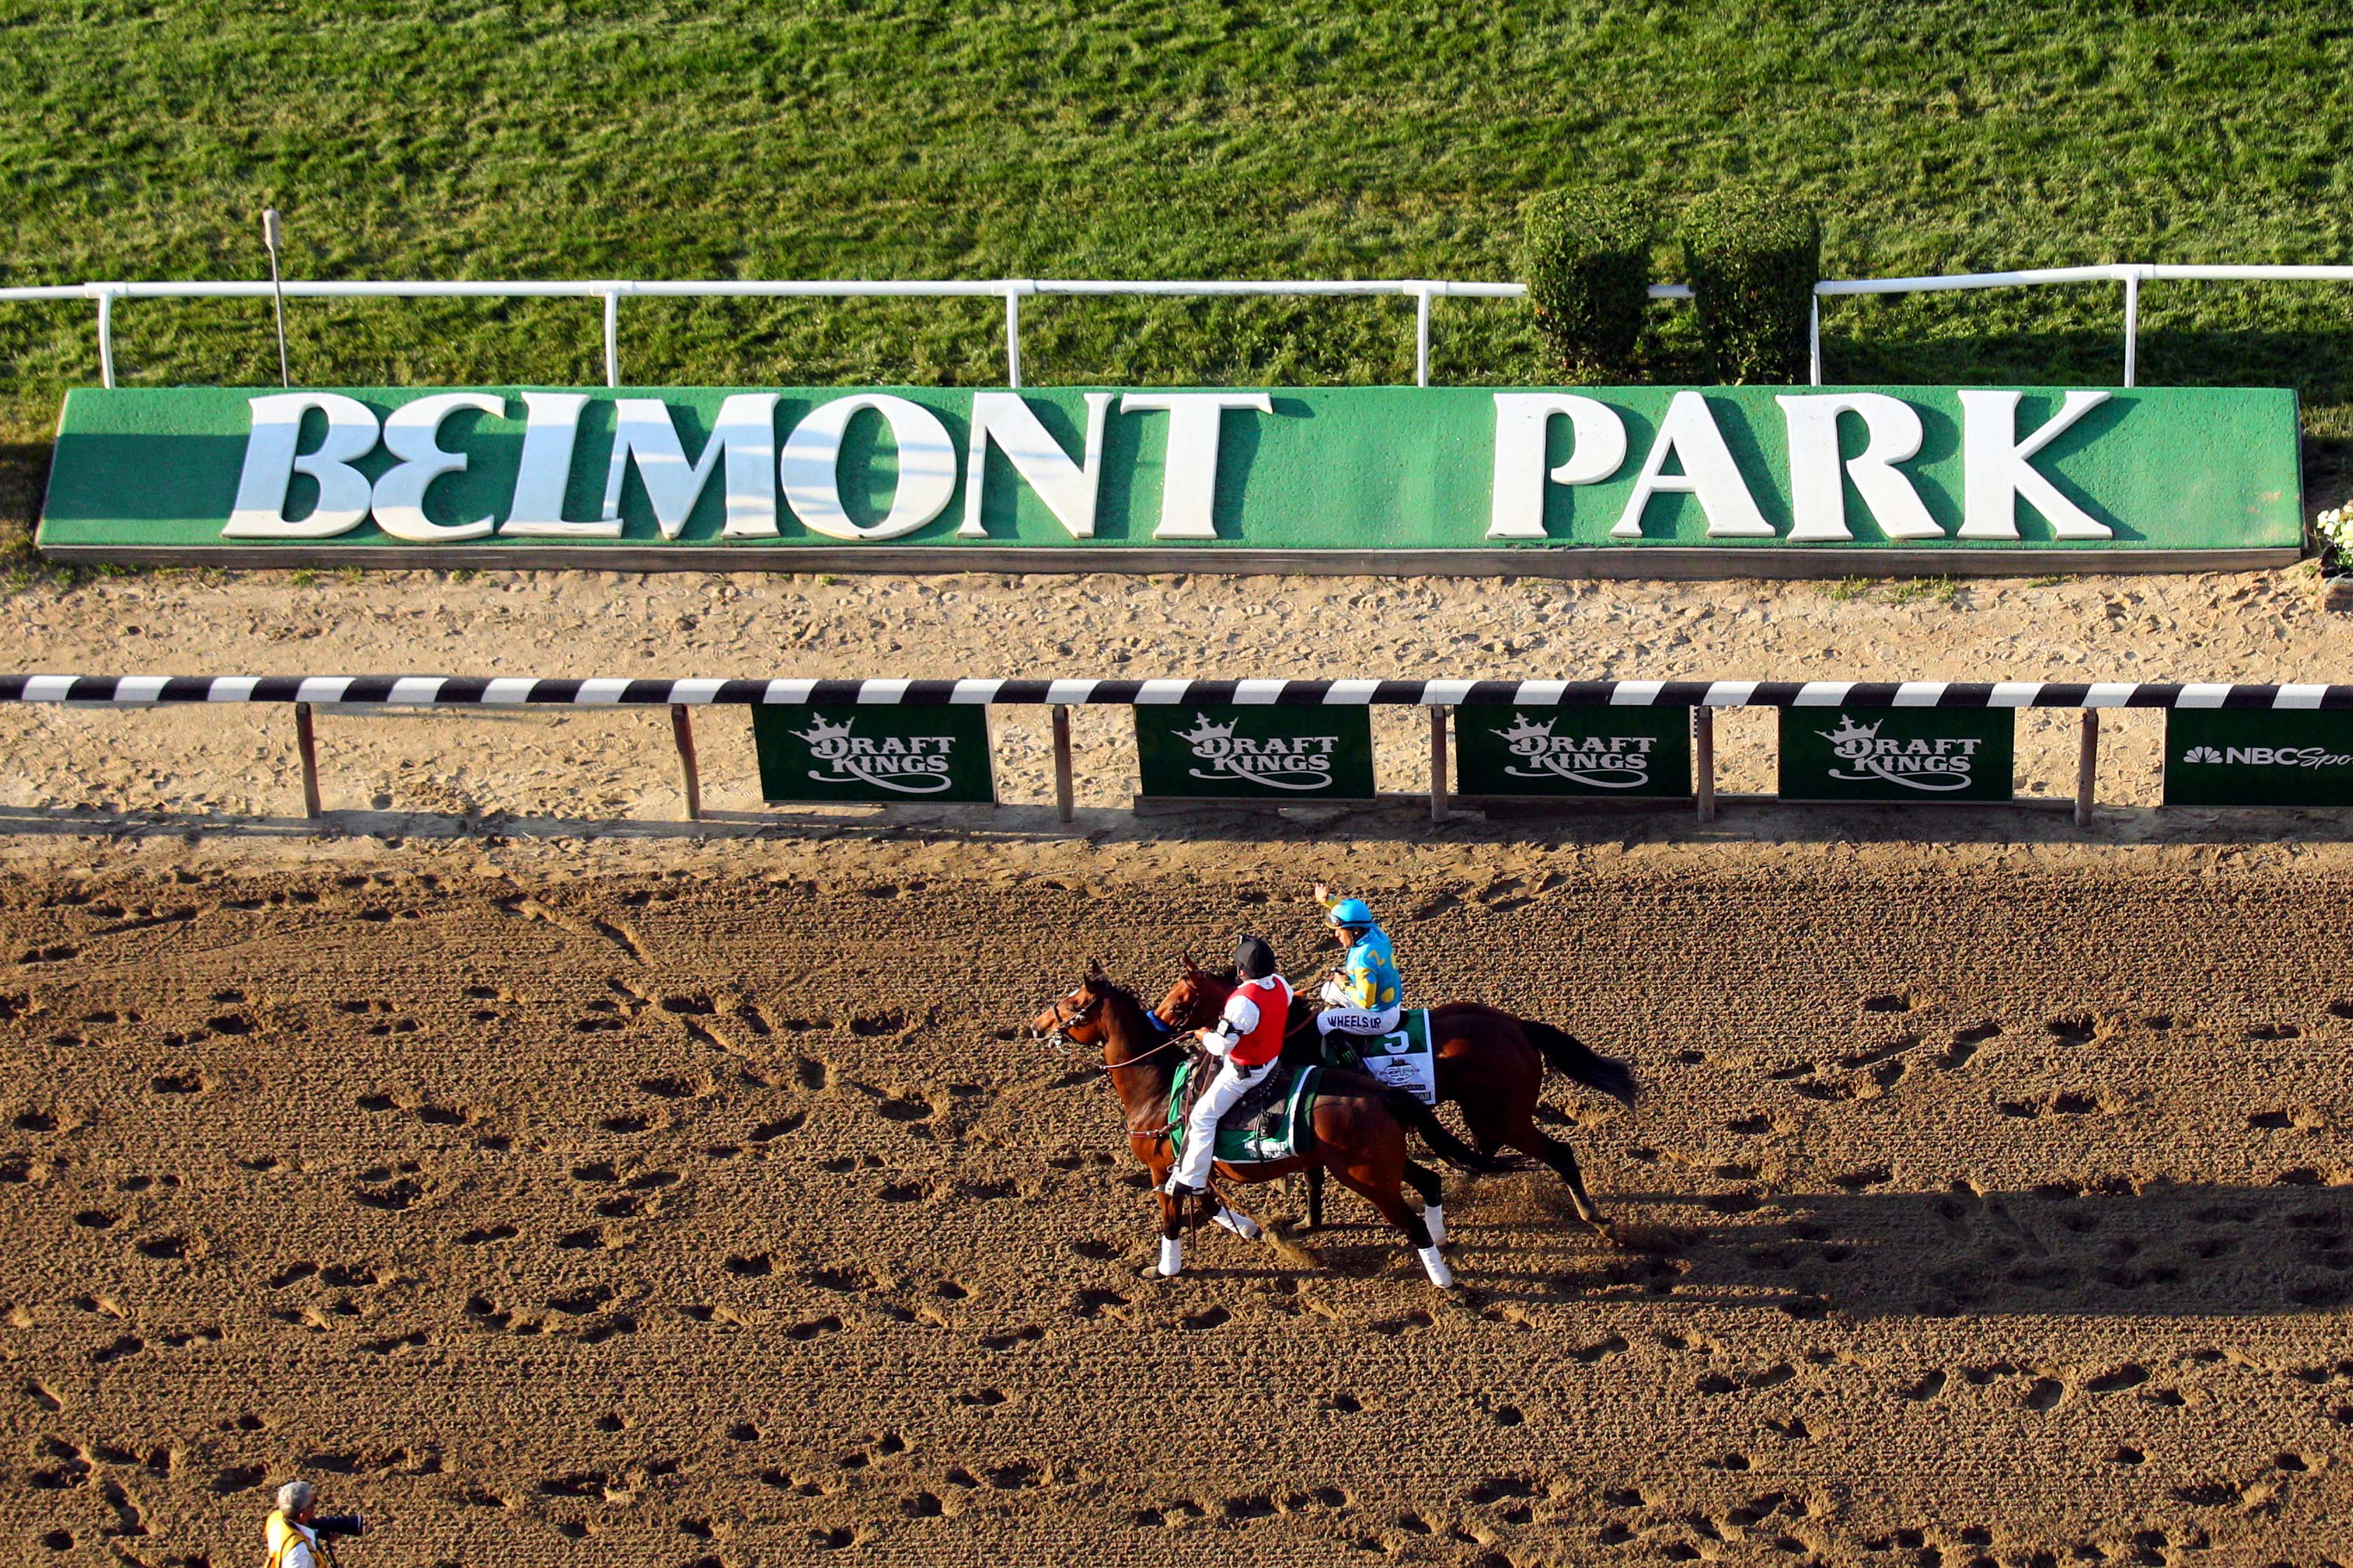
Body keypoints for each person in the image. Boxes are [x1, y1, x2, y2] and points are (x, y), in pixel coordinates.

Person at [1163, 934, 1292, 1199]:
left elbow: (1221, 1046)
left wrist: (1203, 1035)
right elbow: (1286, 1001)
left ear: (1241, 971)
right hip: (1273, 1061)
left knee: (1202, 1117)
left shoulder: (1242, 1002)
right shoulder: (1280, 984)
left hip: (1244, 1074)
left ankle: (1193, 1179)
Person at [1312, 882, 1402, 1044]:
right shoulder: (1373, 930)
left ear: (1355, 930)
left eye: (1340, 931)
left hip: (1380, 1017)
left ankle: (1349, 1057)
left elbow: (1365, 1002)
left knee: (1323, 1021)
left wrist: (1344, 984)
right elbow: (1353, 912)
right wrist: (1328, 900)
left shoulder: (1364, 958)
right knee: (1327, 990)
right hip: (1388, 1003)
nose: (1336, 935)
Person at [264, 1481, 322, 1568]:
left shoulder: (276, 1520)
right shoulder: (299, 1553)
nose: (315, 1507)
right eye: (314, 1502)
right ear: (303, 1515)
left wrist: (317, 1533)